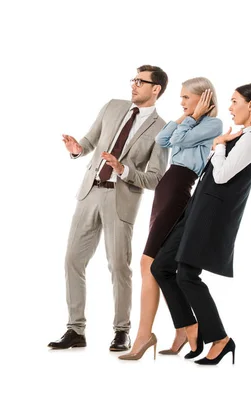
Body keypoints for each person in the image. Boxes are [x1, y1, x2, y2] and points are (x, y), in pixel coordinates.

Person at [48, 65, 169, 352]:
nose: (134, 85)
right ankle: (75, 329)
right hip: (90, 192)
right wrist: (77, 149)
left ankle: (121, 330)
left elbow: (155, 178)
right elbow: (89, 142)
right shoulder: (113, 106)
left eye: (142, 81)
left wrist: (123, 169)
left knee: (118, 266)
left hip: (121, 198)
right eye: (134, 79)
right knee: (72, 261)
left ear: (156, 89)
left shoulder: (163, 129)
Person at [150, 83, 251, 365]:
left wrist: (218, 146)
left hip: (210, 216)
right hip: (196, 208)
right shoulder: (240, 135)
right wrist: (223, 144)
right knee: (161, 266)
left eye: (235, 101)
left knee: (187, 275)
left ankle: (221, 339)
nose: (230, 107)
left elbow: (225, 174)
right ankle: (190, 326)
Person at [119, 77, 222, 360]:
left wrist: (192, 118)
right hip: (167, 186)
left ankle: (145, 336)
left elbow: (176, 139)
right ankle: (183, 327)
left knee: (148, 262)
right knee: (157, 264)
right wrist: (185, 115)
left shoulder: (213, 125)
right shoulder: (191, 119)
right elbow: (161, 139)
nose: (181, 102)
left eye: (186, 98)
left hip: (179, 188)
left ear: (203, 99)